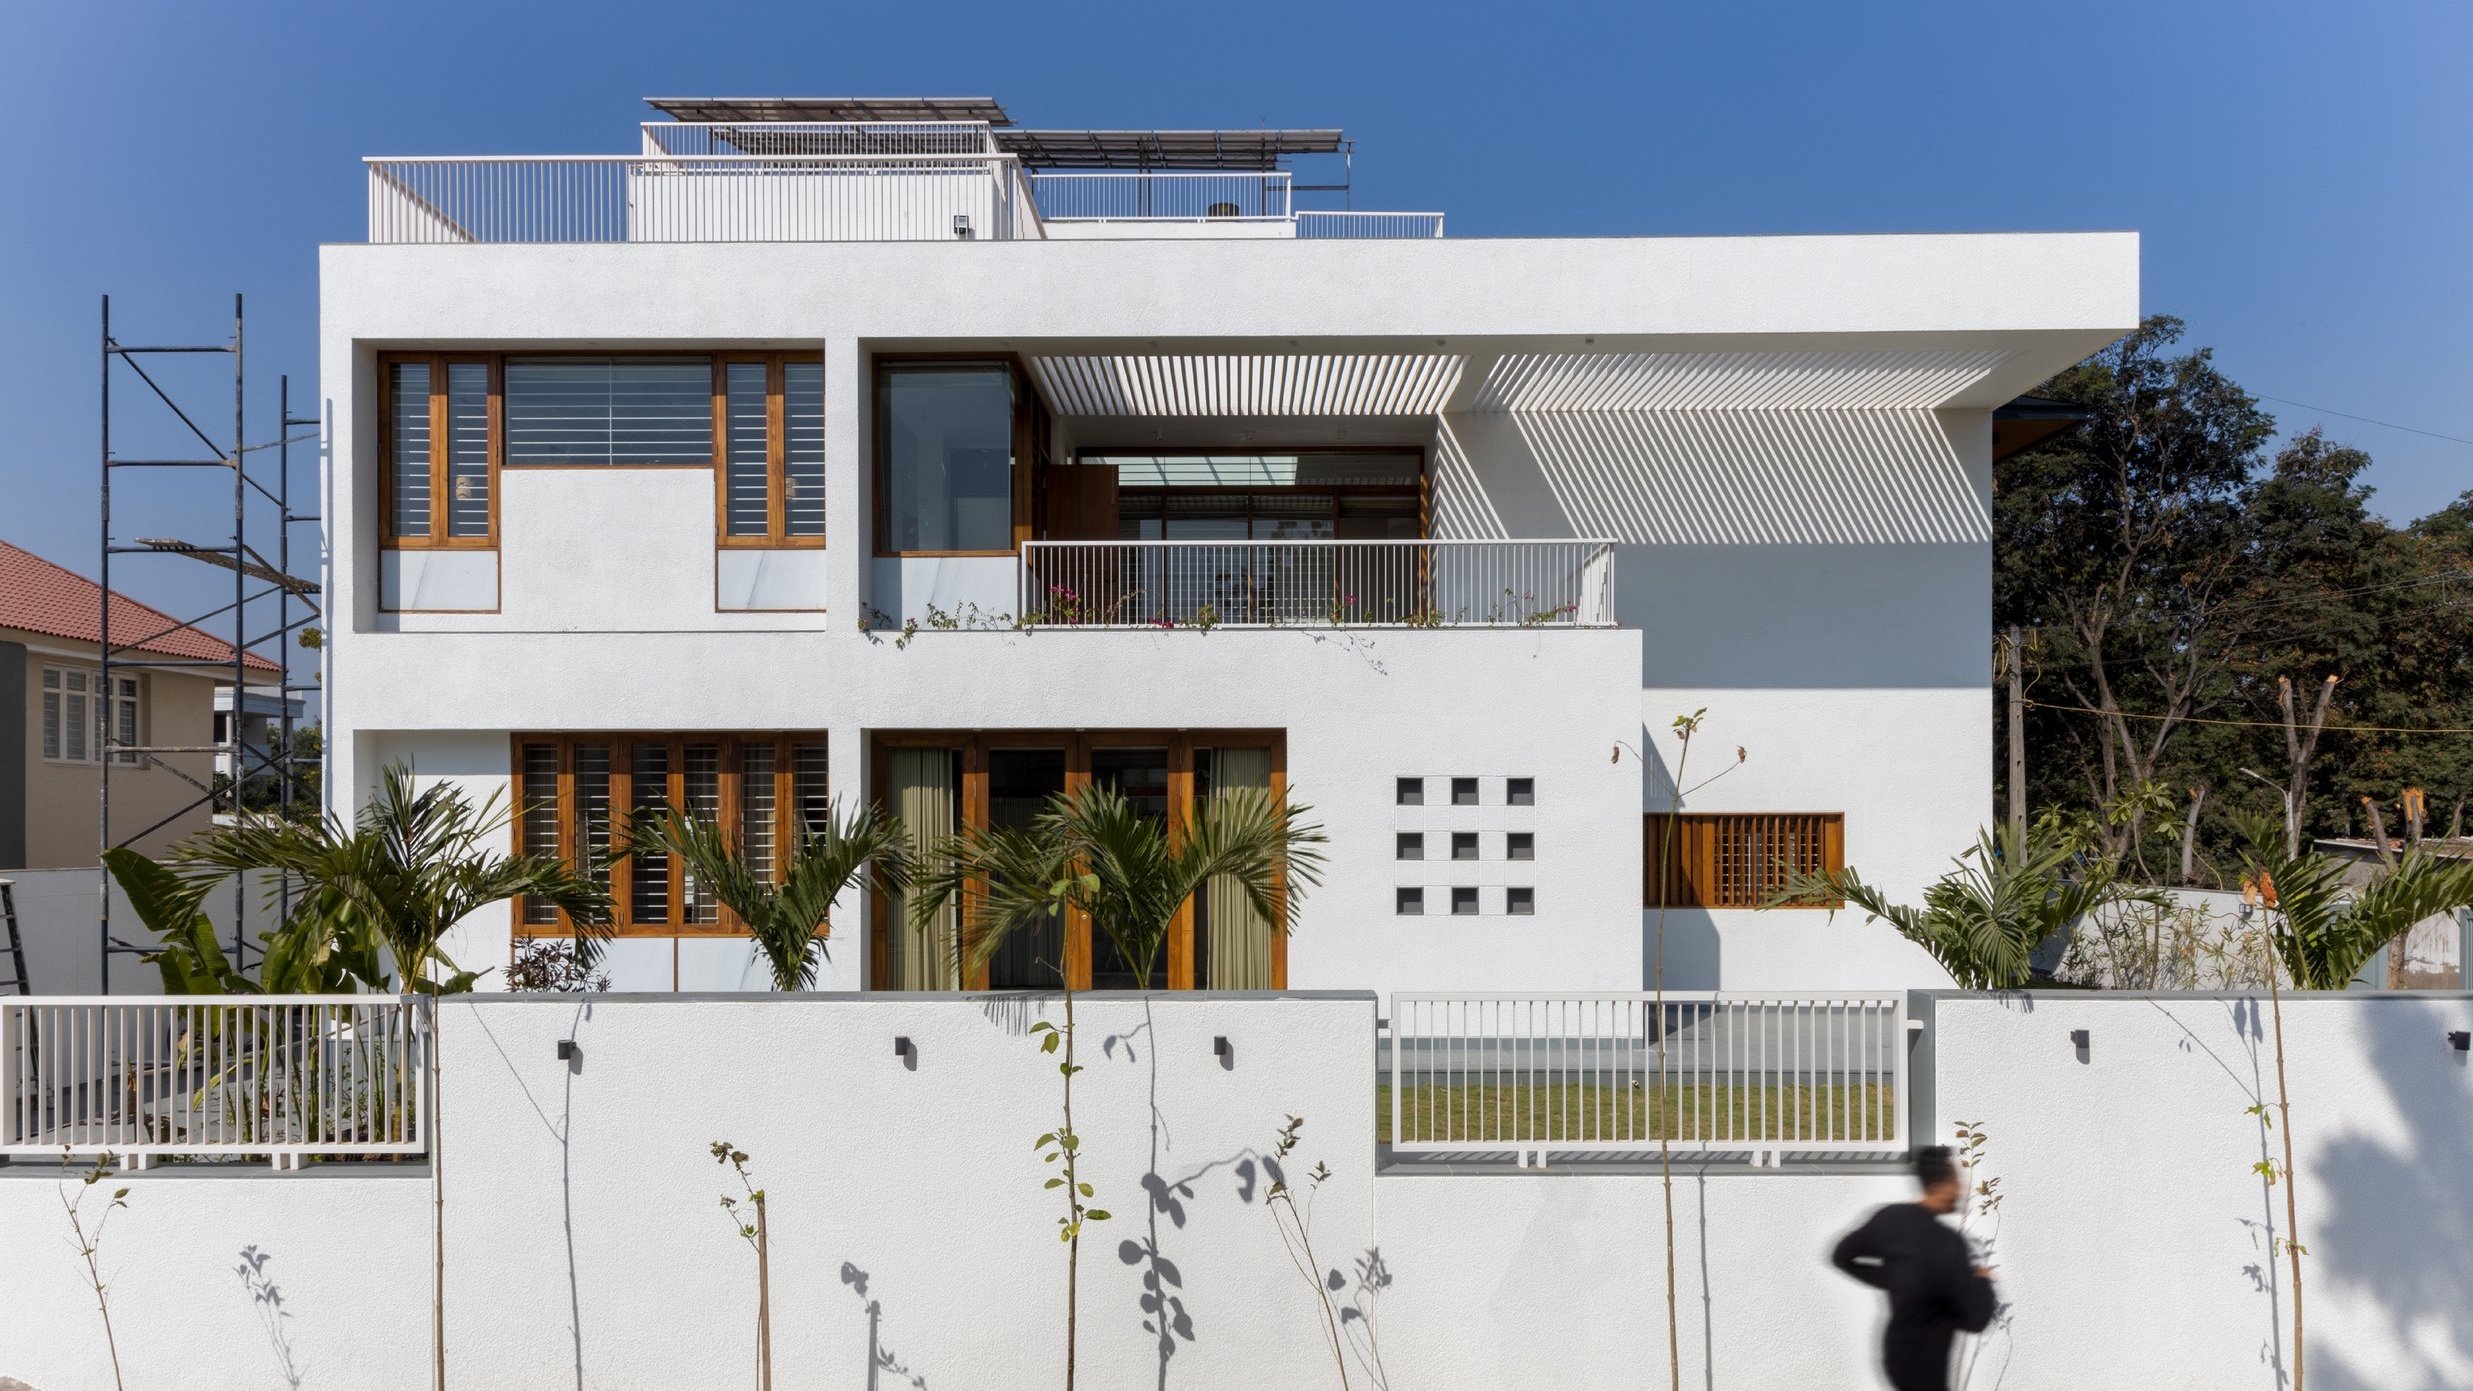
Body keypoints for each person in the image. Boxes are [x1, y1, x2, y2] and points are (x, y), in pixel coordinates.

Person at [1831, 1145, 1999, 1391]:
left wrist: (1896, 1279)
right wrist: (1983, 1281)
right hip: (1927, 1365)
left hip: (1896, 1355)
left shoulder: (1891, 1218)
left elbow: (1841, 1256)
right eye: (1955, 1182)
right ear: (1936, 1187)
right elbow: (1976, 1320)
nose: (1960, 1190)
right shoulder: (1947, 1244)